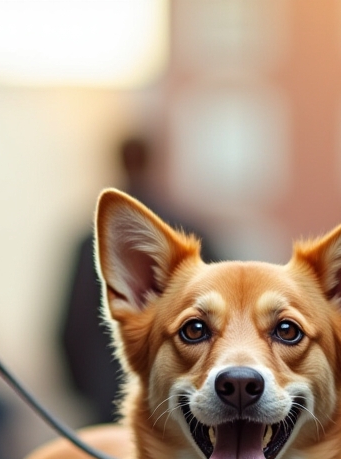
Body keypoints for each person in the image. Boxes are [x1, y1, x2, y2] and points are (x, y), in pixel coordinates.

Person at [58, 135, 221, 425]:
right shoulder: (194, 233)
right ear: (153, 162)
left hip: (108, 396)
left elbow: (69, 329)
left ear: (118, 162)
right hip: (184, 402)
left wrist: (91, 391)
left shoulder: (90, 242)